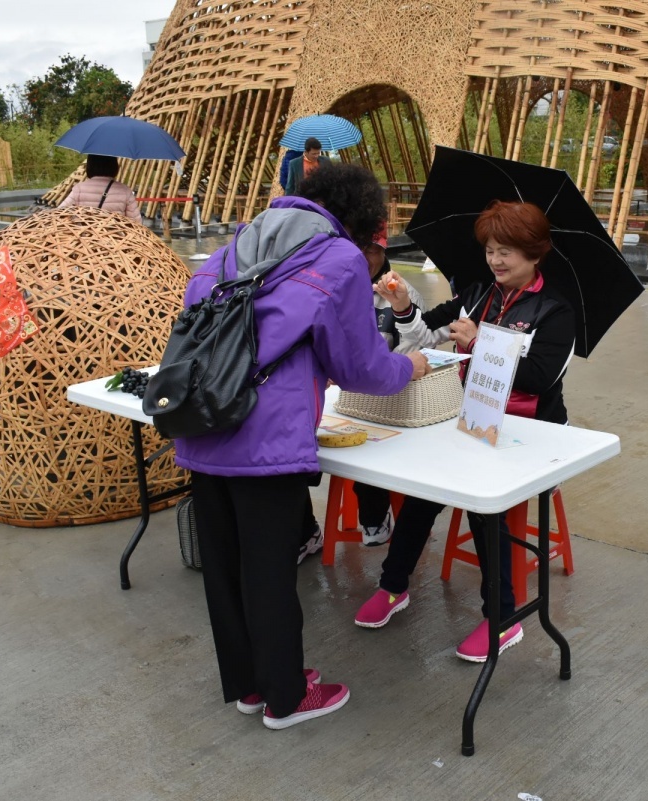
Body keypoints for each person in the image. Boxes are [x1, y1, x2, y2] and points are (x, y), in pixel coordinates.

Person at [173, 162, 431, 730]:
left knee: (229, 570)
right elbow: (359, 366)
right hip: (263, 439)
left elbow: (197, 301)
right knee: (268, 573)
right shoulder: (336, 258)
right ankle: (286, 699)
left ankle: (252, 685)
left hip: (204, 420)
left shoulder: (244, 241)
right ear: (362, 219)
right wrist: (407, 366)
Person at [355, 200, 576, 663]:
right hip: (472, 422)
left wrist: (479, 343)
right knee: (423, 488)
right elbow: (425, 337)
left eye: (508, 252)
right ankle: (394, 586)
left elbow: (539, 377)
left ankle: (503, 617)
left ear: (535, 254)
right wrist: (402, 307)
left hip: (530, 433)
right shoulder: (478, 294)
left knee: (478, 498)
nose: (496, 260)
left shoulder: (555, 311)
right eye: (491, 250)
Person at [352, 223, 425, 545]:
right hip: (340, 397)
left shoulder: (402, 290)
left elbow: (418, 351)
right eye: (361, 246)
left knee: (370, 446)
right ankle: (305, 530)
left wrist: (400, 306)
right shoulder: (333, 288)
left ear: (384, 253)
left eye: (375, 249)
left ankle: (375, 517)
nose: (367, 256)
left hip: (390, 397)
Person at [58, 155, 141, 221]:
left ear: (89, 166)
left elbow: (59, 213)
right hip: (116, 240)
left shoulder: (79, 189)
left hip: (84, 239)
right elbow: (136, 223)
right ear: (114, 166)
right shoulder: (125, 191)